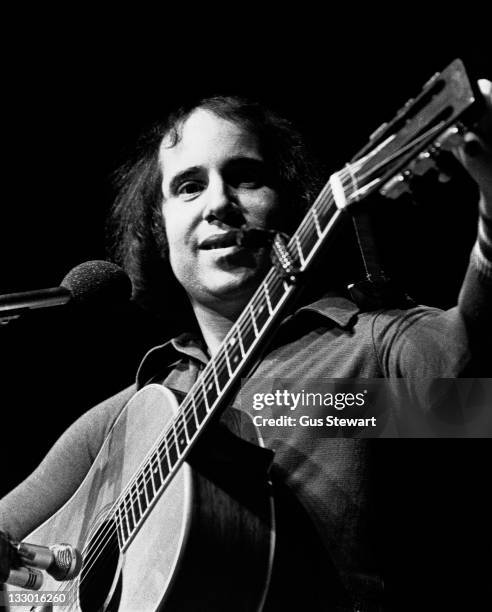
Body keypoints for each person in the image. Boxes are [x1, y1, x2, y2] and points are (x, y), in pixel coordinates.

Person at [1, 78, 491, 611]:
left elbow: (469, 395)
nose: (219, 203)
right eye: (188, 186)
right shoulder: (130, 416)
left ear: (290, 208)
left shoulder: (363, 352)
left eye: (246, 177)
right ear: (159, 231)